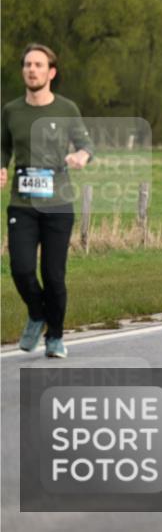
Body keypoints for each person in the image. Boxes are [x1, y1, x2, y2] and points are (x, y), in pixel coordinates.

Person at [1, 43, 93, 358]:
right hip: (22, 204)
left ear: (51, 72)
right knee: (21, 269)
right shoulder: (12, 110)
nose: (32, 69)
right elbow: (3, 147)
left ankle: (55, 337)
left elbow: (86, 144)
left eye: (39, 65)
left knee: (54, 275)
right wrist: (0, 166)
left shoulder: (66, 109)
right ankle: (37, 314)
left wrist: (81, 155)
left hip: (57, 205)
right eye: (27, 64)